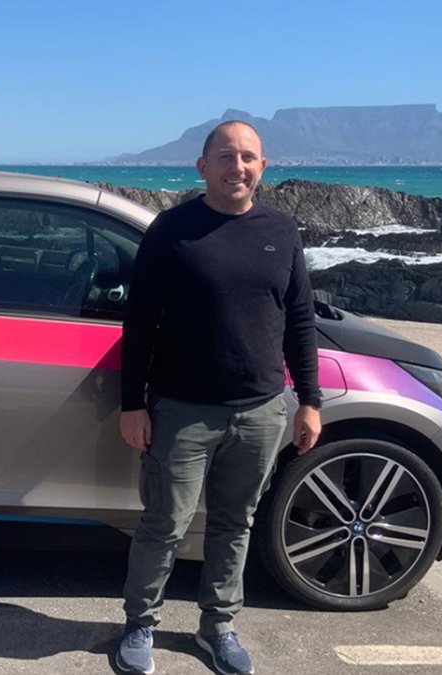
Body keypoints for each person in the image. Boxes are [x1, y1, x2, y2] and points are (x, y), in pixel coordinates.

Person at [116, 120, 322, 675]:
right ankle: (140, 623)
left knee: (235, 525)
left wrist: (310, 400)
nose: (238, 166)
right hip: (181, 411)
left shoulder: (281, 230)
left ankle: (218, 628)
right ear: (203, 166)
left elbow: (300, 320)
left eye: (248, 157)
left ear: (263, 167)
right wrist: (132, 403)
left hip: (261, 411)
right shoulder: (171, 230)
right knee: (164, 524)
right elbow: (140, 322)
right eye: (226, 157)